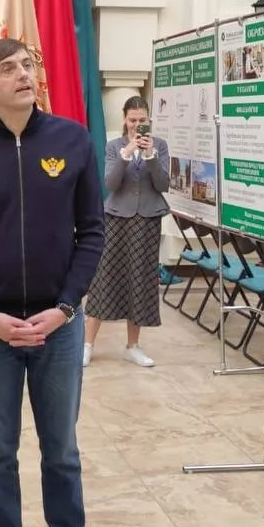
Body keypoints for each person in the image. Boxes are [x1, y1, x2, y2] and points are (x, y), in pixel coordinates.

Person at [0, 38, 105, 527]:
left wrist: (65, 307)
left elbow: (92, 232)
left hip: (59, 325)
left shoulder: (72, 140)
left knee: (61, 451)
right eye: (8, 68)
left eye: (28, 65)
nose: (23, 74)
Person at [83, 96, 170, 368]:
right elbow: (110, 183)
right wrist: (127, 152)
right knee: (104, 277)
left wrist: (150, 156)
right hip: (116, 218)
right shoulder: (114, 146)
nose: (137, 125)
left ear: (149, 120)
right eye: (132, 120)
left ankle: (133, 346)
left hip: (147, 220)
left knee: (140, 280)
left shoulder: (160, 146)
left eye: (142, 120)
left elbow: (163, 184)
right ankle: (87, 345)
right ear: (124, 119)